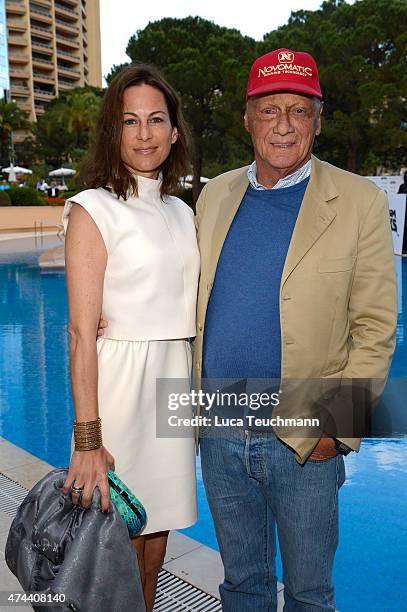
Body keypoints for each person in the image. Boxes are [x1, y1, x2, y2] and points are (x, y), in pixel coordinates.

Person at [191, 48, 397, 611]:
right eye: (269, 108)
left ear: (317, 120)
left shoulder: (359, 202)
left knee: (309, 594)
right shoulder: (214, 197)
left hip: (306, 437)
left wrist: (338, 426)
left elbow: (376, 326)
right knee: (241, 586)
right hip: (221, 427)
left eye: (298, 110)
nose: (282, 124)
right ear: (247, 118)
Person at [61, 64, 200, 611]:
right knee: (110, 550)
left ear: (175, 131)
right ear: (113, 132)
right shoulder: (93, 209)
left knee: (154, 548)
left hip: (172, 386)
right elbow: (79, 331)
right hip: (120, 388)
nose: (144, 134)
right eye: (130, 121)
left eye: (156, 120)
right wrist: (88, 438)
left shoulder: (182, 212)